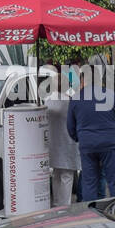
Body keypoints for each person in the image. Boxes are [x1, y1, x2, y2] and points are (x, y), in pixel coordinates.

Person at [67, 65, 115, 202]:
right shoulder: (109, 95)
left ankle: (91, 213)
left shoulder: (75, 99)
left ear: (83, 80)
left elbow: (70, 127)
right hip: (109, 142)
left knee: (89, 183)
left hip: (87, 144)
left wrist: (80, 138)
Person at [44, 68, 78, 206]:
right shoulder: (69, 102)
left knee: (56, 174)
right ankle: (65, 205)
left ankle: (57, 203)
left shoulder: (47, 100)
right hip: (67, 141)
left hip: (52, 142)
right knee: (67, 175)